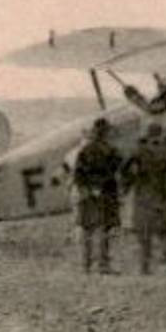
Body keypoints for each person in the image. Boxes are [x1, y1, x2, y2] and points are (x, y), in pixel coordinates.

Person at [122, 122, 166, 274]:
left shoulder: (140, 151)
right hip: (163, 195)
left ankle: (145, 266)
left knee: (144, 233)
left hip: (144, 194)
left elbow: (124, 168)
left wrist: (130, 180)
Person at [71, 117, 123, 273]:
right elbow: (116, 169)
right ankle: (103, 264)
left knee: (87, 228)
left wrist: (87, 189)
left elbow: (78, 175)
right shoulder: (111, 150)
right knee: (103, 228)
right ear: (105, 132)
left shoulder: (84, 150)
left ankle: (86, 265)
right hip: (105, 193)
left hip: (87, 194)